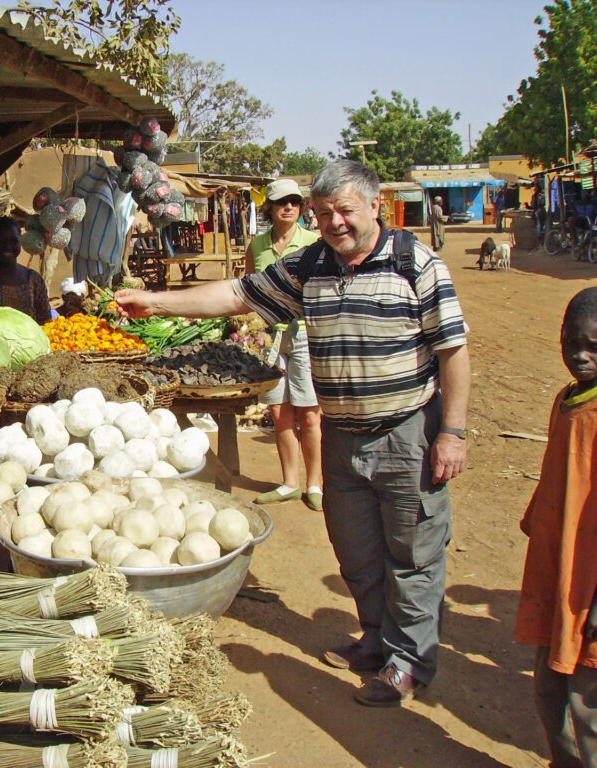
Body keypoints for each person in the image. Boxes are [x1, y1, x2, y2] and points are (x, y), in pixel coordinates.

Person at [114, 159, 470, 707]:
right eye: (324, 213)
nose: (335, 223)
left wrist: (453, 433)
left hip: (407, 432)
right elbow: (237, 294)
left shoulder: (416, 265)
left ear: (375, 206)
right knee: (357, 552)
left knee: (414, 553)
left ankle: (408, 662)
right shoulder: (310, 265)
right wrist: (155, 301)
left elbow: (453, 352)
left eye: (345, 211)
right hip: (341, 437)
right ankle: (374, 639)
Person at [514, 287, 597, 768]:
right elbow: (558, 475)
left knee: (591, 706)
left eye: (595, 346)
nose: (580, 355)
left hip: (595, 588)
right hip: (560, 572)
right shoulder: (567, 400)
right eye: (571, 343)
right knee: (549, 690)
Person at [243, 178, 323, 511]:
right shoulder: (257, 245)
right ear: (270, 208)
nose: (288, 207)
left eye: (294, 201)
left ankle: (315, 484)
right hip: (269, 338)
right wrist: (249, 330)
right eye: (281, 202)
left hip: (305, 333)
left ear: (302, 207)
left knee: (310, 415)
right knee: (279, 413)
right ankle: (290, 482)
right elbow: (248, 289)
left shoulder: (315, 242)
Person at [0, 216, 52, 324]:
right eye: (0, 241)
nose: (7, 246)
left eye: (13, 241)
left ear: (20, 242)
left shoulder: (33, 279)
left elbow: (45, 321)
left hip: (31, 340)